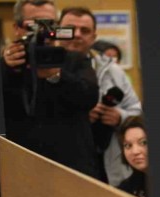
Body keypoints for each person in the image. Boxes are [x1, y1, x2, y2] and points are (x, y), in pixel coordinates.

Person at [0, 0, 103, 180]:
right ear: (17, 28)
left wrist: (57, 75)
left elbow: (89, 97)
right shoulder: (5, 63)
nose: (43, 31)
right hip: (20, 167)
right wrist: (6, 68)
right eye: (34, 25)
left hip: (70, 167)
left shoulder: (73, 59)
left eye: (50, 24)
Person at [58, 7, 142, 187]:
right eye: (70, 29)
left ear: (93, 37)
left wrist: (119, 116)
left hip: (107, 163)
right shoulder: (44, 69)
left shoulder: (112, 71)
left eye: (85, 30)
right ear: (58, 31)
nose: (77, 35)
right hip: (59, 163)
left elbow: (137, 111)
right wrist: (81, 117)